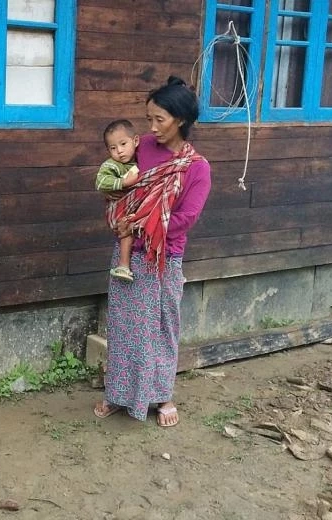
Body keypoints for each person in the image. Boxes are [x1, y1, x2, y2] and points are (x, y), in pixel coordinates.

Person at [93, 76, 212, 428]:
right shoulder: (140, 146)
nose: (152, 127)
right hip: (128, 255)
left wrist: (141, 224)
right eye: (149, 119)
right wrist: (117, 205)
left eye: (160, 119)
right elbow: (114, 177)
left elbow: (185, 218)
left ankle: (162, 395)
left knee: (162, 326)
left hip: (164, 258)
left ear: (181, 120)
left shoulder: (196, 168)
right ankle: (118, 393)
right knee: (124, 326)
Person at [95, 119, 141, 282]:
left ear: (135, 141)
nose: (119, 151)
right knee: (126, 229)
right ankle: (123, 265)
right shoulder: (112, 165)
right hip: (118, 211)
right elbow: (100, 182)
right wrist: (123, 183)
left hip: (132, 209)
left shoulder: (140, 161)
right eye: (113, 148)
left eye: (123, 144)